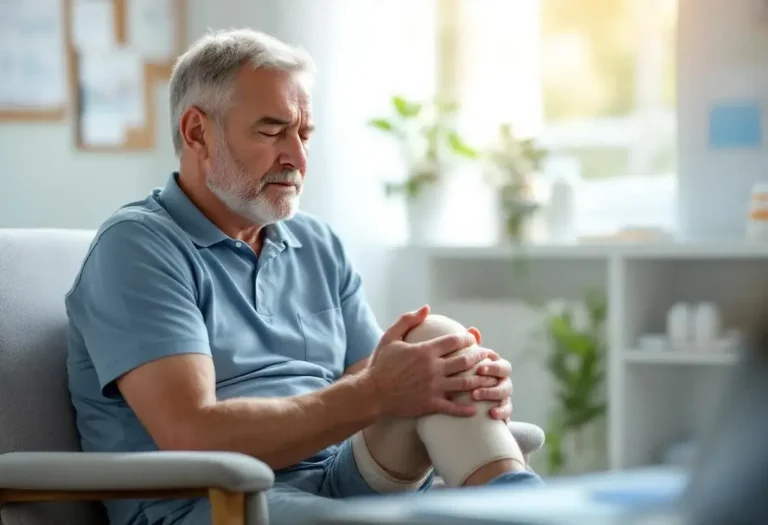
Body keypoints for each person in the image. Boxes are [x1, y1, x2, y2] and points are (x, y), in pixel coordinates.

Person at [64, 28, 541, 525]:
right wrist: (382, 391)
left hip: (337, 474)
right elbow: (193, 433)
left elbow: (373, 380)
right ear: (197, 132)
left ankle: (529, 508)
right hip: (215, 501)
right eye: (272, 131)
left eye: (304, 134)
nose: (297, 157)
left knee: (437, 340)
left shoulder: (314, 242)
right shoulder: (138, 246)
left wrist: (443, 383)